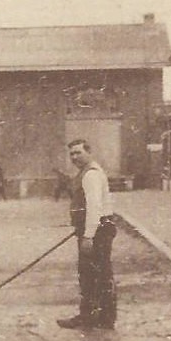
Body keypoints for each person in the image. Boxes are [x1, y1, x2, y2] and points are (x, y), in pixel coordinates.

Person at [58, 138, 116, 330]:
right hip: (96, 228)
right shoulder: (88, 172)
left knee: (91, 274)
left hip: (96, 231)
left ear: (89, 153)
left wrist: (88, 236)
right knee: (96, 274)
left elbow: (94, 207)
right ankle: (101, 317)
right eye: (72, 154)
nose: (74, 157)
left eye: (78, 152)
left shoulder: (90, 174)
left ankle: (93, 317)